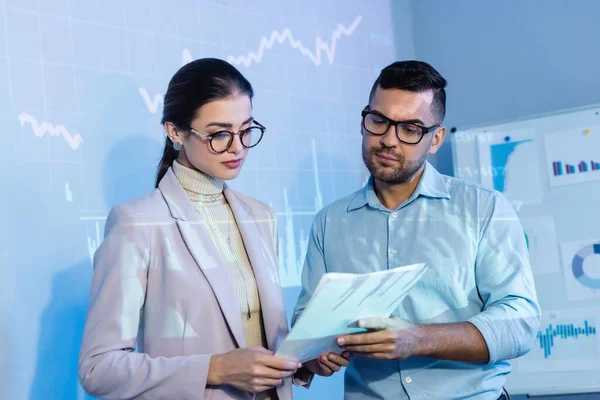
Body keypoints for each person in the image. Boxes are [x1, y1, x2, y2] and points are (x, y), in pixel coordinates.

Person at [292, 60, 541, 399]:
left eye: (410, 129)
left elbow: (520, 324)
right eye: (379, 121)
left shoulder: (485, 209)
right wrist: (316, 356)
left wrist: (419, 339)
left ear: (436, 138)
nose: (388, 140)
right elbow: (309, 327)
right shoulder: (329, 222)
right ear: (364, 123)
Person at [79, 58, 300, 400]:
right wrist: (216, 369)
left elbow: (259, 339)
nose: (238, 147)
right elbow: (99, 369)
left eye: (246, 130)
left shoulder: (261, 216)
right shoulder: (137, 223)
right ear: (175, 131)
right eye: (219, 134)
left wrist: (306, 360)